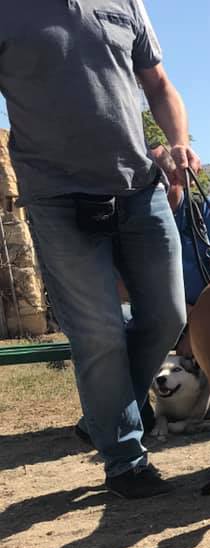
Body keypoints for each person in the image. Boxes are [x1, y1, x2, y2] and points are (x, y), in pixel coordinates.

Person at [1, 2, 199, 499]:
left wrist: (178, 142)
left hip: (140, 187)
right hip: (56, 196)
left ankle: (103, 416)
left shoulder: (126, 3)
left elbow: (158, 84)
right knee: (99, 332)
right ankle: (125, 459)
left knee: (169, 315)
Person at [149, 145, 210, 357]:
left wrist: (198, 327)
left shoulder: (204, 208)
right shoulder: (137, 218)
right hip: (161, 315)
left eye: (152, 179)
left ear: (174, 177)